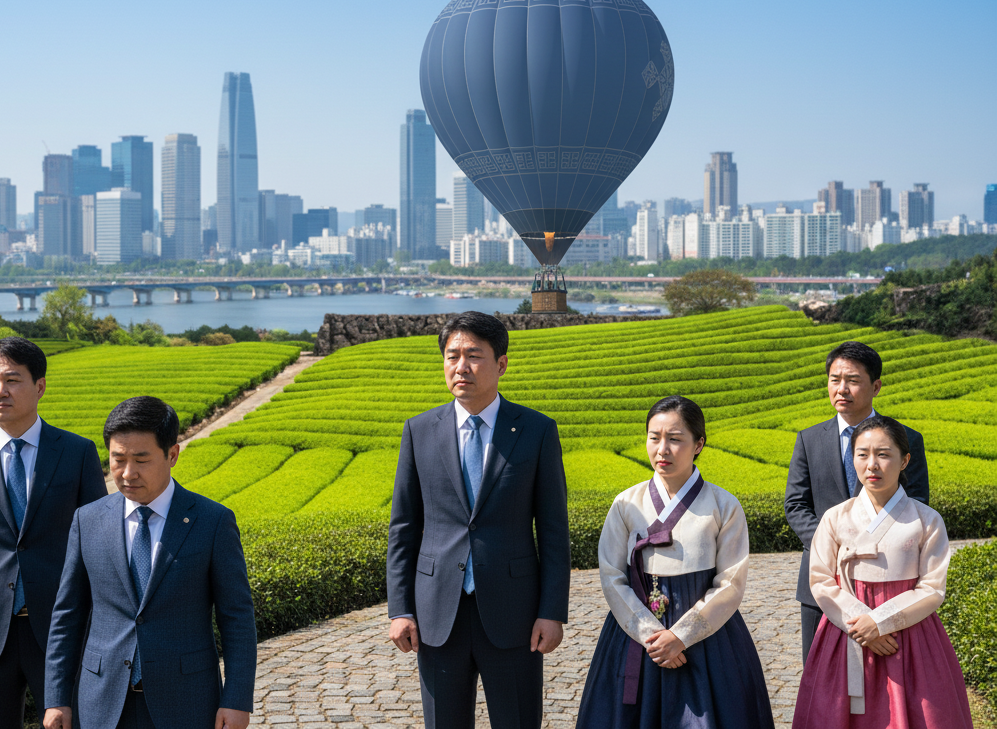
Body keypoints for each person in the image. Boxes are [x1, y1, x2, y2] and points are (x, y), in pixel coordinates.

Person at [386, 311, 570, 729]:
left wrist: (552, 610)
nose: (460, 367)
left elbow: (554, 531)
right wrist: (400, 609)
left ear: (501, 364)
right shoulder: (419, 430)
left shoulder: (536, 430)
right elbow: (404, 529)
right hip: (437, 613)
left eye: (473, 355)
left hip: (514, 614)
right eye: (452, 356)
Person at [42, 396, 256, 729]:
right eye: (118, 459)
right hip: (102, 701)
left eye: (141, 459)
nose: (127, 473)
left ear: (172, 455)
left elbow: (237, 617)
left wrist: (237, 699)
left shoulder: (212, 521)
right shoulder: (88, 520)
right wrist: (56, 698)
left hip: (187, 701)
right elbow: (67, 615)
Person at [0, 336, 108, 728]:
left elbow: (101, 544)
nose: (0, 391)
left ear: (39, 386)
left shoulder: (76, 452)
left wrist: (104, 625)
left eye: (12, 380)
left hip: (61, 628)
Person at [576, 396, 774, 728]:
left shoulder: (723, 505)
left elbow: (730, 583)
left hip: (706, 638)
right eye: (654, 437)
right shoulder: (626, 504)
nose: (662, 449)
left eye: (675, 439)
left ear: (698, 444)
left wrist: (680, 636)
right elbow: (612, 575)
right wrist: (651, 634)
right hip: (635, 634)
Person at [792, 416, 971, 728]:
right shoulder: (835, 518)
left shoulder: (927, 521)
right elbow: (821, 580)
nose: (871, 465)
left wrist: (880, 621)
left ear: (905, 461)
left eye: (884, 454)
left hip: (909, 636)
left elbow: (932, 588)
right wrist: (864, 625)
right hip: (846, 632)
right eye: (862, 454)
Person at [785, 341, 929, 664]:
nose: (842, 389)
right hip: (822, 584)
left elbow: (917, 503)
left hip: (888, 582)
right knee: (822, 679)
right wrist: (833, 549)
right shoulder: (809, 439)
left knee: (887, 680)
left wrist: (871, 546)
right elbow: (796, 505)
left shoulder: (908, 439)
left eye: (852, 380)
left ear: (876, 386)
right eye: (835, 379)